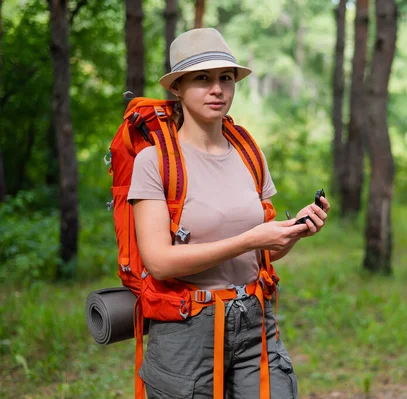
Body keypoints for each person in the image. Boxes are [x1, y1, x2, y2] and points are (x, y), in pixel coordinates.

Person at [128, 28, 330, 398]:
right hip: (186, 331)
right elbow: (159, 262)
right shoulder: (154, 161)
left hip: (255, 322)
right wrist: (249, 239)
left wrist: (291, 233)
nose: (217, 89)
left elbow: (262, 251)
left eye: (225, 78)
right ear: (177, 88)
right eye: (202, 79)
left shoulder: (248, 152)